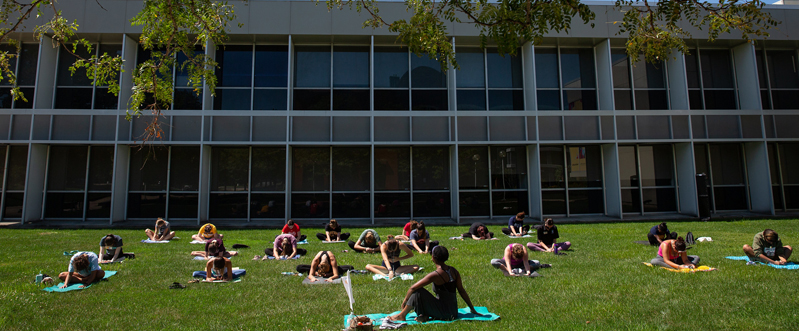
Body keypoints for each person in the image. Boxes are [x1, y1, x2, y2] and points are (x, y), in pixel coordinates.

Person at [387, 246, 478, 323]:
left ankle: (402, 315)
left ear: (433, 257)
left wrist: (405, 301)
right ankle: (424, 315)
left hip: (445, 313)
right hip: (453, 311)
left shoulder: (436, 274)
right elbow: (462, 291)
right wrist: (472, 308)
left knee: (418, 291)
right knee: (421, 293)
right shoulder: (454, 271)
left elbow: (413, 288)